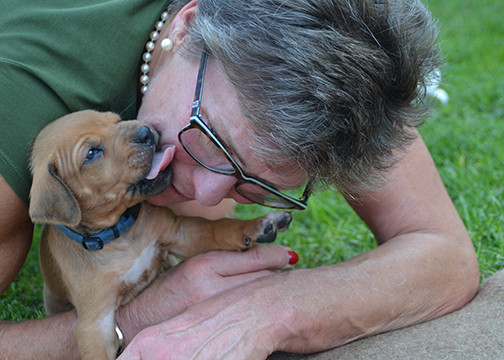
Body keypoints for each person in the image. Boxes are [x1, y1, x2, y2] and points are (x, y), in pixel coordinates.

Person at [0, 0, 480, 359]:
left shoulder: (334, 54)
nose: (210, 196)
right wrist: (134, 317)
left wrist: (275, 308)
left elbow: (446, 253)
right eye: (211, 136)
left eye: (254, 183)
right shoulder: (21, 116)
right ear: (186, 26)